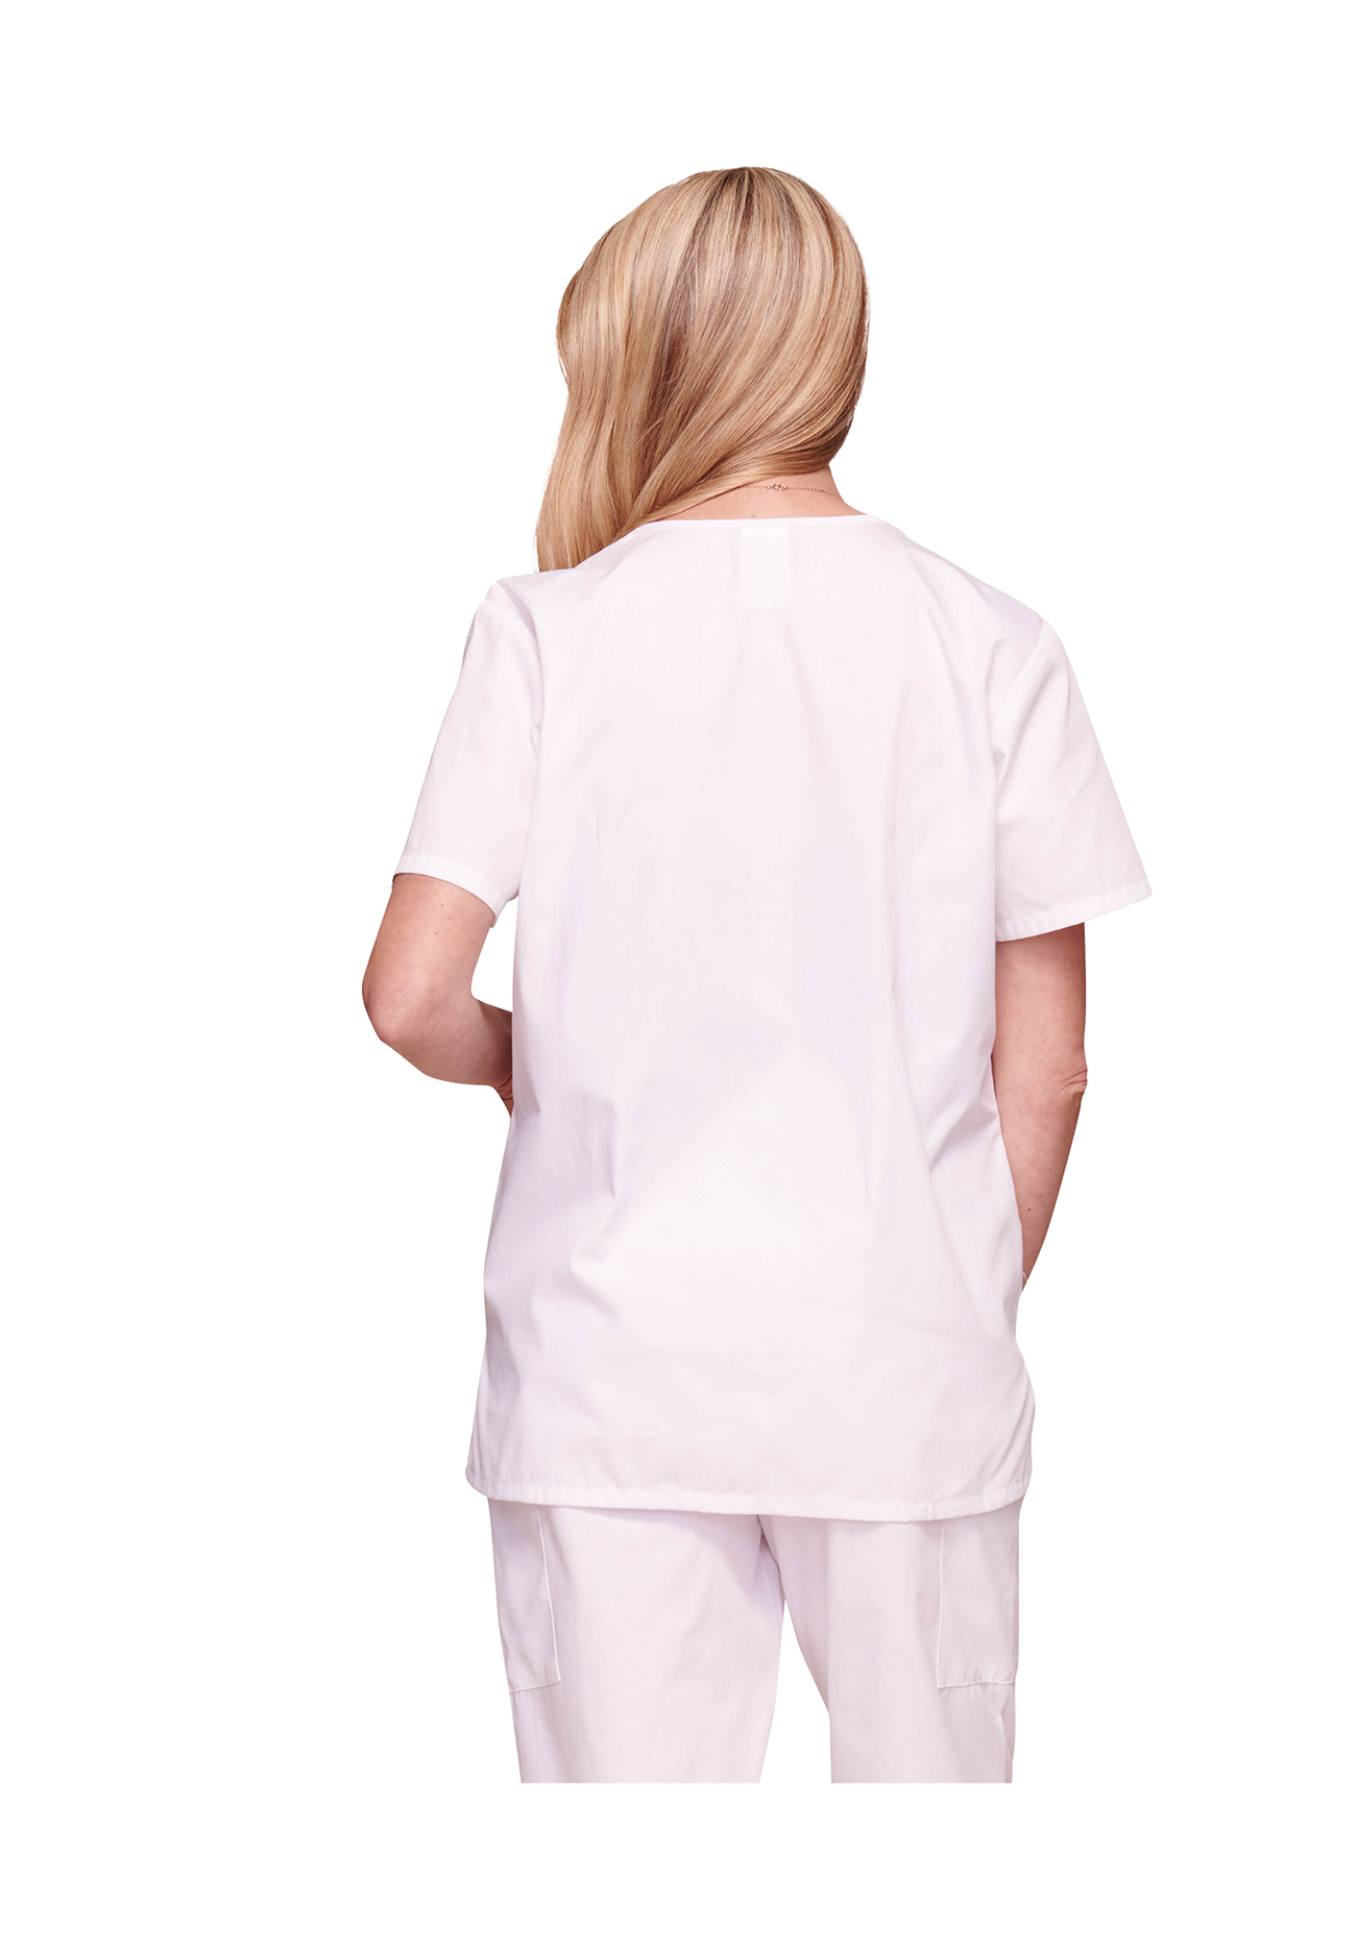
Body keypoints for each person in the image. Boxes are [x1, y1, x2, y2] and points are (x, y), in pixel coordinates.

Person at [362, 167, 1149, 1783]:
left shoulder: (545, 630)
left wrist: (530, 1057)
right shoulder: (991, 640)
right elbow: (1048, 1064)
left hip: (610, 1362)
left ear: (633, 356)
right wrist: (951, 1292)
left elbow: (408, 995)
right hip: (898, 1353)